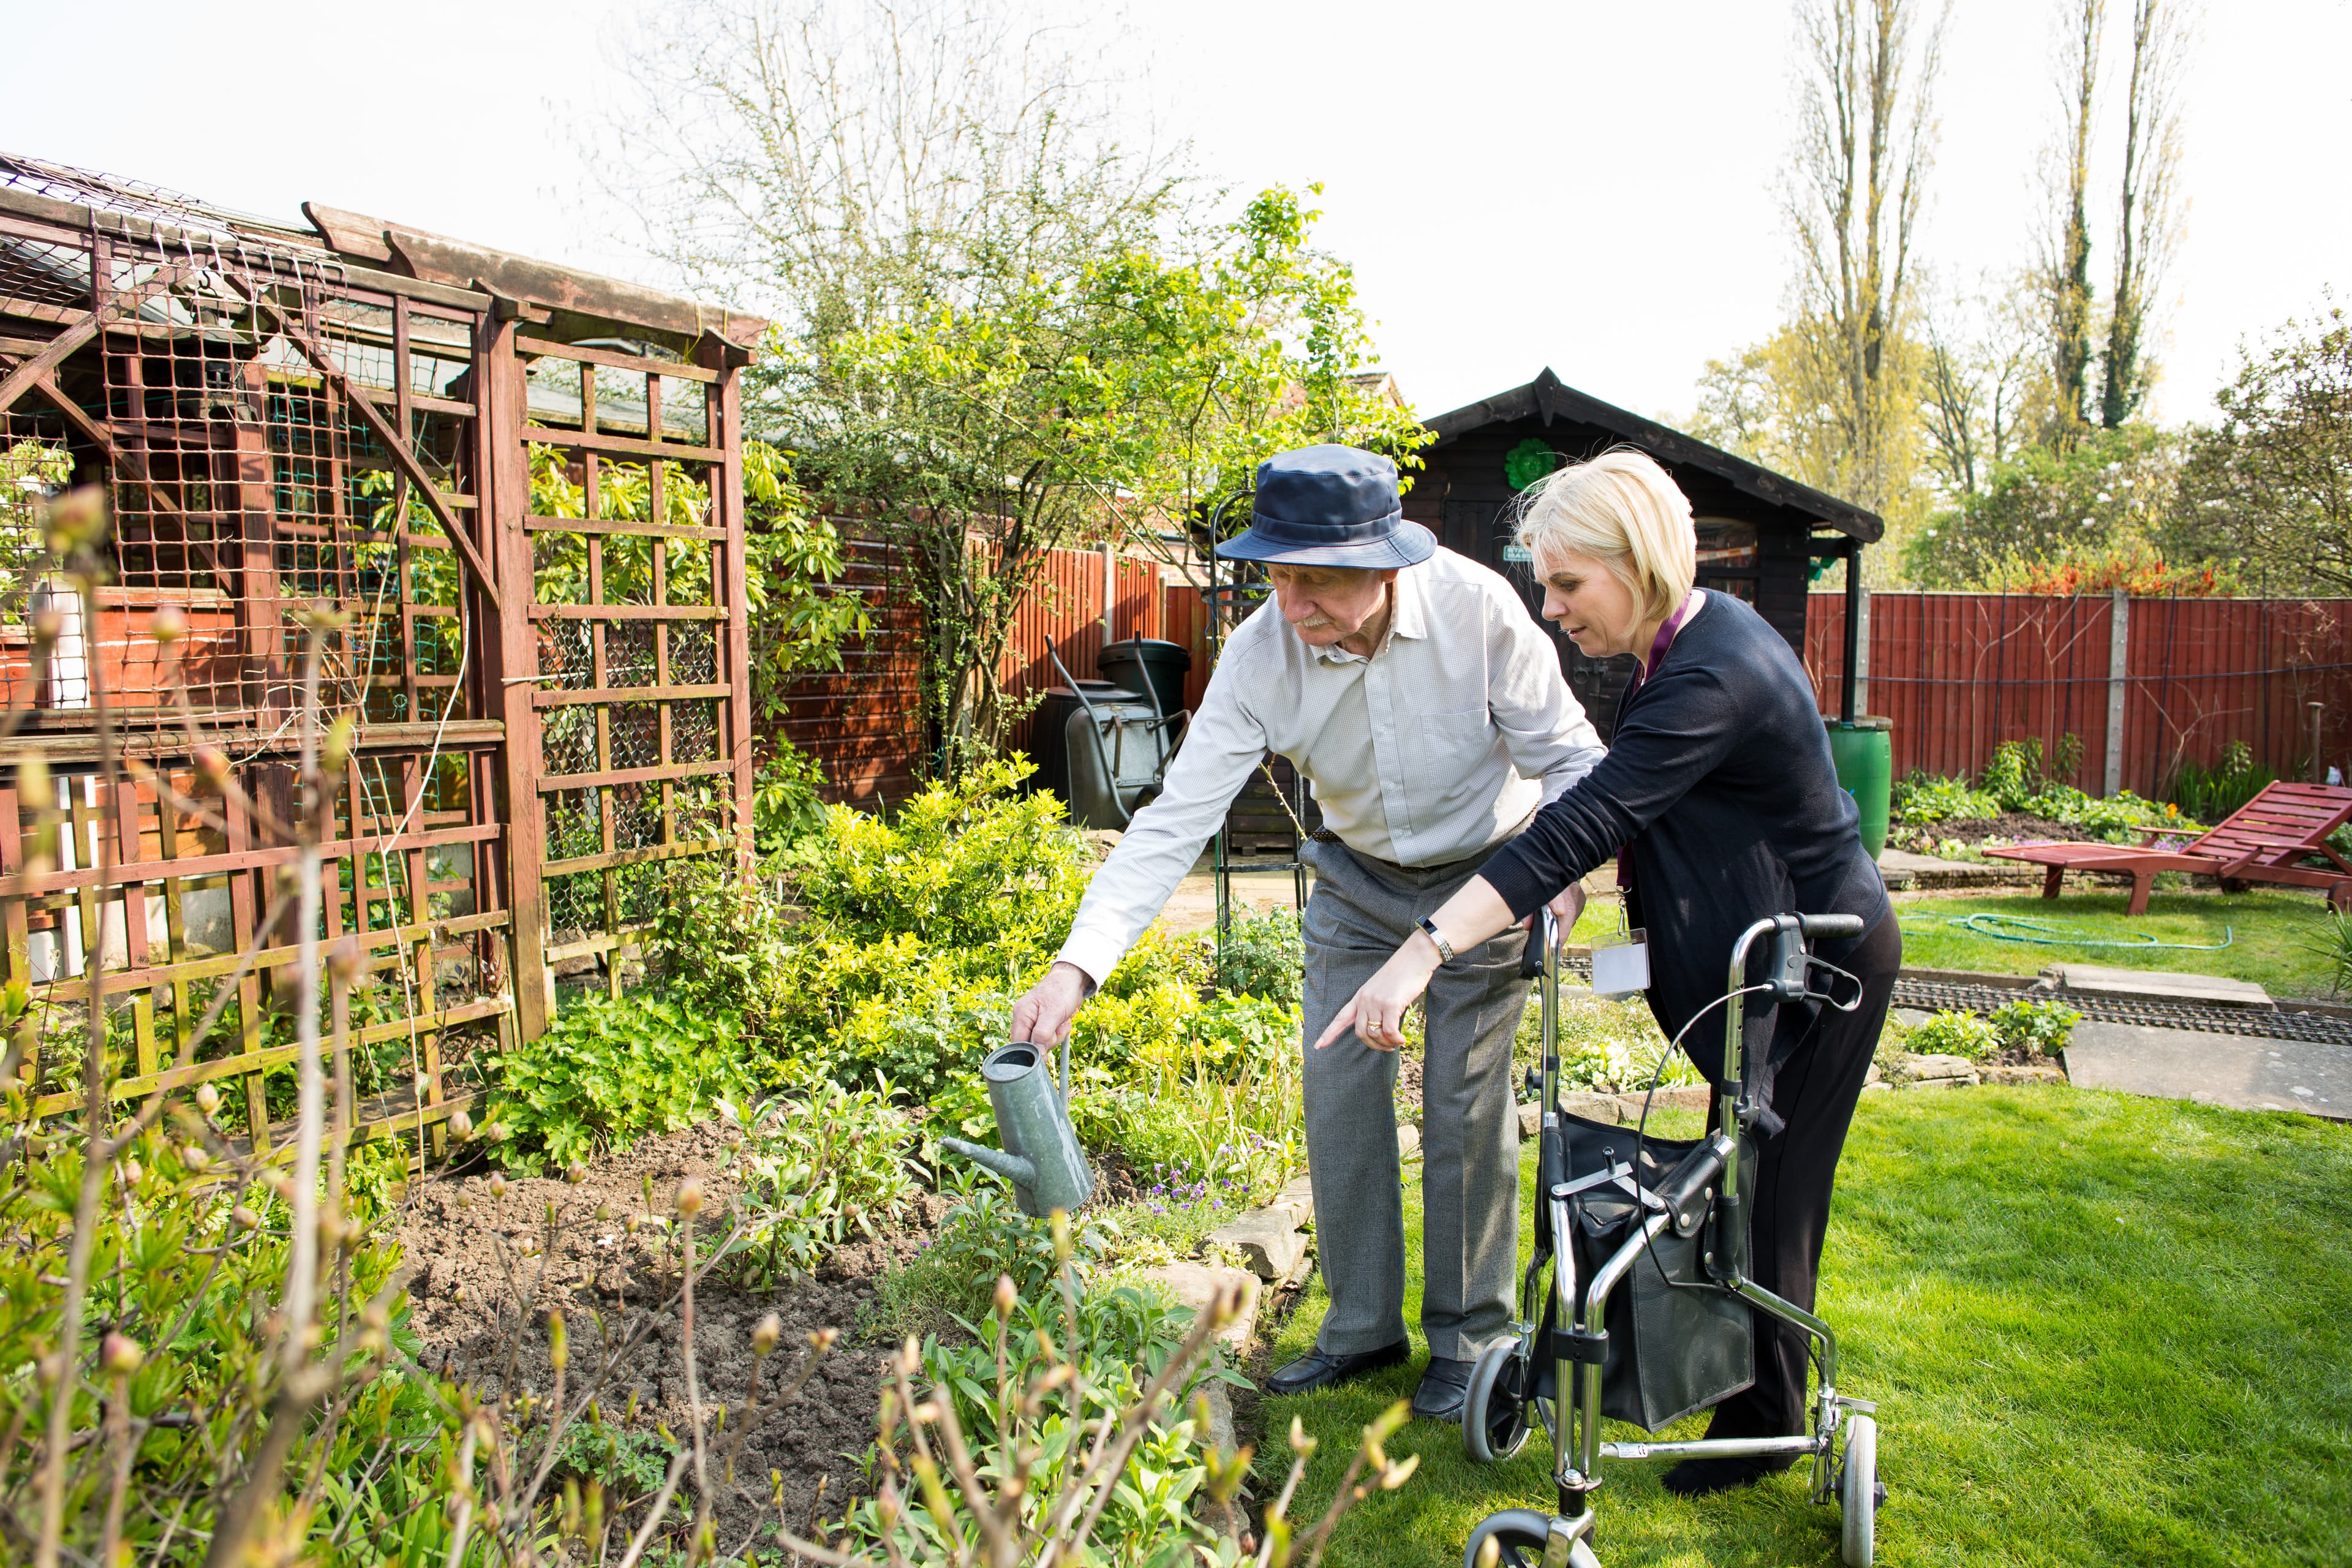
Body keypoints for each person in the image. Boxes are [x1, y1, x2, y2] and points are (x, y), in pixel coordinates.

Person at [1313, 448, 1899, 1495]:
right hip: (1756, 970)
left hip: (1817, 970)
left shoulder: (1713, 671)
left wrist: (1420, 951)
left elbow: (1578, 824)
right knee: (1744, 1180)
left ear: (1637, 564)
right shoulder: (1684, 648)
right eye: (1545, 584)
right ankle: (1753, 1401)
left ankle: (1766, 1420)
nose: (1551, 609)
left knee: (1773, 1195)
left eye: (1569, 584)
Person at [1011, 443, 1606, 1420]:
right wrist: (1078, 968)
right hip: (1358, 883)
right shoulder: (1258, 654)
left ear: (1385, 566)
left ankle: (1470, 1339)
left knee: (1465, 1107)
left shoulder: (1480, 612)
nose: (1290, 607)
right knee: (1336, 1095)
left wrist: (1558, 880)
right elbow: (1173, 820)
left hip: (1488, 879)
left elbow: (1574, 761)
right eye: (1277, 578)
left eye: (1316, 582)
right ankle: (1363, 1328)